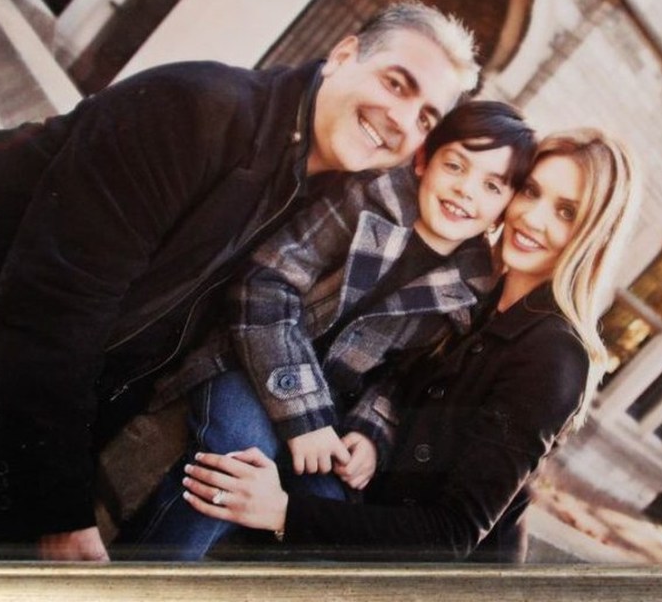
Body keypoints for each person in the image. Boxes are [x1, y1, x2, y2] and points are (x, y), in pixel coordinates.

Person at [0, 0, 479, 561]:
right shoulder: (196, 110)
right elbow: (56, 303)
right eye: (397, 84)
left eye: (426, 117)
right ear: (343, 54)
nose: (403, 120)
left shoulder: (327, 204)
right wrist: (58, 508)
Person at [177, 127, 640, 562]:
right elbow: (396, 377)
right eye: (532, 191)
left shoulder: (555, 357)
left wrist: (282, 513)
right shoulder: (477, 293)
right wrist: (372, 434)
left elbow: (451, 535)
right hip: (358, 515)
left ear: (592, 236)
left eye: (566, 212)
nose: (532, 218)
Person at [122, 101, 535, 560]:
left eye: (492, 185)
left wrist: (371, 432)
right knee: (243, 452)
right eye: (455, 165)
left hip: (332, 414)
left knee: (329, 507)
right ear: (423, 161)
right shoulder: (366, 200)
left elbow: (402, 376)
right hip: (250, 361)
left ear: (504, 208)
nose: (465, 190)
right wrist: (303, 413)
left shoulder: (470, 286)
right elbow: (266, 283)